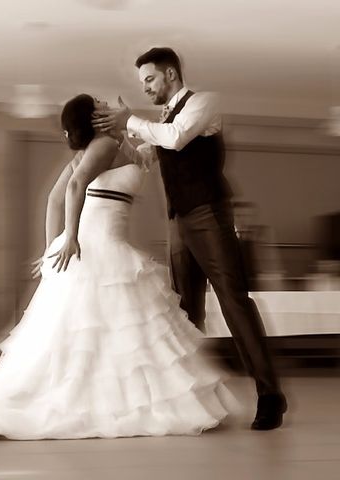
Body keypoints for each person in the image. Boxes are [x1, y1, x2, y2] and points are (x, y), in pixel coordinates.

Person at [0, 94, 234, 442]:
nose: (105, 103)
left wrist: (51, 247)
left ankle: (116, 401)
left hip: (106, 246)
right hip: (96, 247)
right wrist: (66, 239)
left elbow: (62, 195)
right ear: (95, 118)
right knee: (96, 334)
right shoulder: (100, 146)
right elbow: (70, 188)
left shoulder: (116, 144)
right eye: (100, 103)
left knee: (109, 335)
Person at [92, 47, 287, 430]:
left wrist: (130, 119)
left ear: (170, 74)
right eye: (143, 83)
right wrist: (120, 131)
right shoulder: (163, 119)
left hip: (209, 215)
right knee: (185, 312)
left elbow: (176, 138)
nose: (146, 88)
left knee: (233, 302)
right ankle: (197, 400)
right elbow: (149, 154)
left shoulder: (204, 104)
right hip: (179, 221)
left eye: (149, 79)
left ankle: (270, 396)